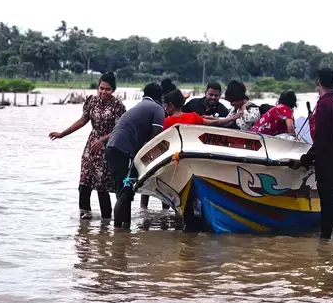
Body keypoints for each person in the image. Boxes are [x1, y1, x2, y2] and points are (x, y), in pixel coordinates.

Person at [49, 72, 126, 220]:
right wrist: (62, 134)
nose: (103, 92)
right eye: (101, 88)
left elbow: (120, 130)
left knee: (101, 185)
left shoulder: (118, 106)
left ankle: (106, 221)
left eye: (107, 89)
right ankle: (84, 222)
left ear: (113, 90)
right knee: (84, 183)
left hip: (107, 148)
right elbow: (82, 120)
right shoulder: (92, 101)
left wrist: (103, 140)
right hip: (90, 147)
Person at [291, 67, 333, 242]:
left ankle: (325, 241)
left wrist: (304, 160)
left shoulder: (323, 105)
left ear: (318, 83)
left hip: (325, 161)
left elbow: (321, 139)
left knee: (326, 203)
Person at [104, 83, 166, 229]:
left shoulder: (139, 107)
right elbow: (156, 139)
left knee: (126, 191)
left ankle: (125, 230)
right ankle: (118, 233)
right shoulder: (157, 108)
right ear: (160, 97)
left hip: (112, 148)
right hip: (123, 150)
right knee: (124, 193)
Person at [162, 89, 240, 129]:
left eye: (166, 105)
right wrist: (231, 118)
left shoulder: (166, 122)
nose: (165, 108)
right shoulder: (193, 117)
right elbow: (215, 122)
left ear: (171, 105)